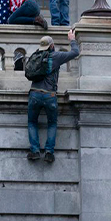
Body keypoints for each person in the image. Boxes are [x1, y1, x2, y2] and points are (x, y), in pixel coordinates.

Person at [27, 30, 80, 163]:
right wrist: (72, 39)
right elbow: (75, 53)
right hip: (49, 94)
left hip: (34, 93)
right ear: (51, 46)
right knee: (52, 123)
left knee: (32, 122)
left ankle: (35, 151)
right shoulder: (56, 56)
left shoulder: (35, 55)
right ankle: (49, 152)